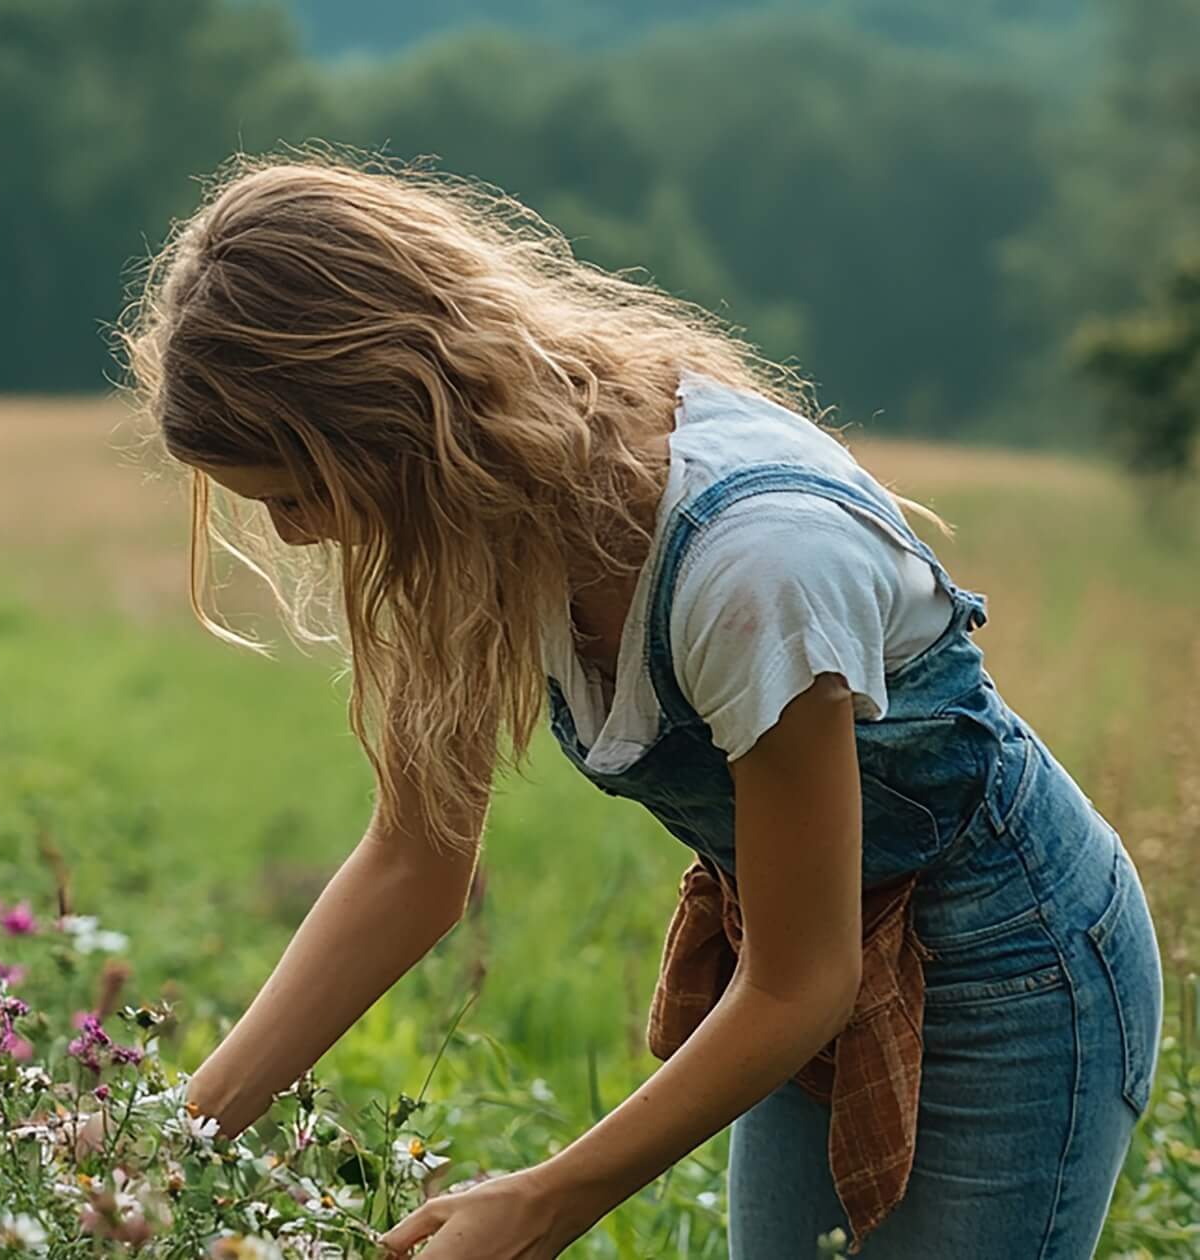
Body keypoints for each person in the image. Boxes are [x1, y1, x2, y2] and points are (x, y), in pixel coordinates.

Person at [119, 154, 1163, 1259]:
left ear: (392, 427)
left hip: (1013, 973)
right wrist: (165, 1148)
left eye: (295, 493)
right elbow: (411, 865)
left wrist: (543, 1199)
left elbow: (802, 981)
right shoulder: (482, 514)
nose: (291, 535)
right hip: (803, 972)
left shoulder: (753, 565)